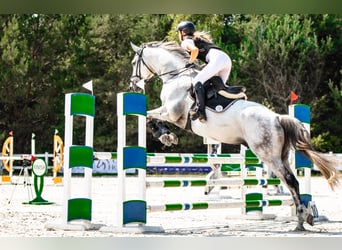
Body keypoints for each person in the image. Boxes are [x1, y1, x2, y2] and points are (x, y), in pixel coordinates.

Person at [176, 20, 232, 122]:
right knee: (220, 88)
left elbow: (194, 50)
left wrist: (190, 62)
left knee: (197, 81)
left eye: (178, 32)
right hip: (225, 59)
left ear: (182, 32)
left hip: (217, 60)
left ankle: (200, 111)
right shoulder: (197, 40)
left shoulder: (185, 42)